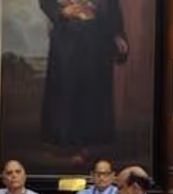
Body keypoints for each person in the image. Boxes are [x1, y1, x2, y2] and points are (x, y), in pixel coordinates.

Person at [39, 0, 128, 162]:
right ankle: (61, 143)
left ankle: (88, 145)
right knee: (64, 90)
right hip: (66, 40)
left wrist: (117, 34)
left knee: (92, 92)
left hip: (97, 40)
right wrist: (61, 12)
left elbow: (112, 6)